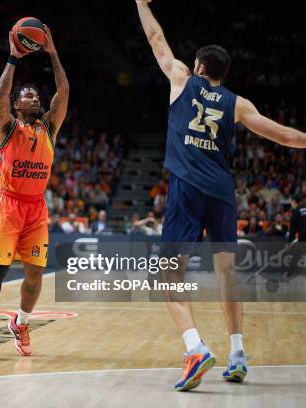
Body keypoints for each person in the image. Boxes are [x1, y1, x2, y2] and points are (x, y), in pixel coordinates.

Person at [136, 0, 306, 390]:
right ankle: (238, 353)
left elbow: (155, 38)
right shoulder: (238, 103)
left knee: (167, 276)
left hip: (187, 186)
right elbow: (283, 135)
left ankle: (195, 347)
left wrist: (142, 3)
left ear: (197, 67)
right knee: (227, 272)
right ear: (223, 73)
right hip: (222, 191)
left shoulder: (181, 78)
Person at [0, 25, 69, 361]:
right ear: (16, 105)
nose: (35, 98)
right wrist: (14, 59)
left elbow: (63, 91)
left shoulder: (49, 127)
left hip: (36, 207)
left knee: (35, 272)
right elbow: (0, 96)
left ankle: (21, 322)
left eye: (35, 95)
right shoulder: (7, 125)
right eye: (27, 95)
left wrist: (53, 53)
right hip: (10, 204)